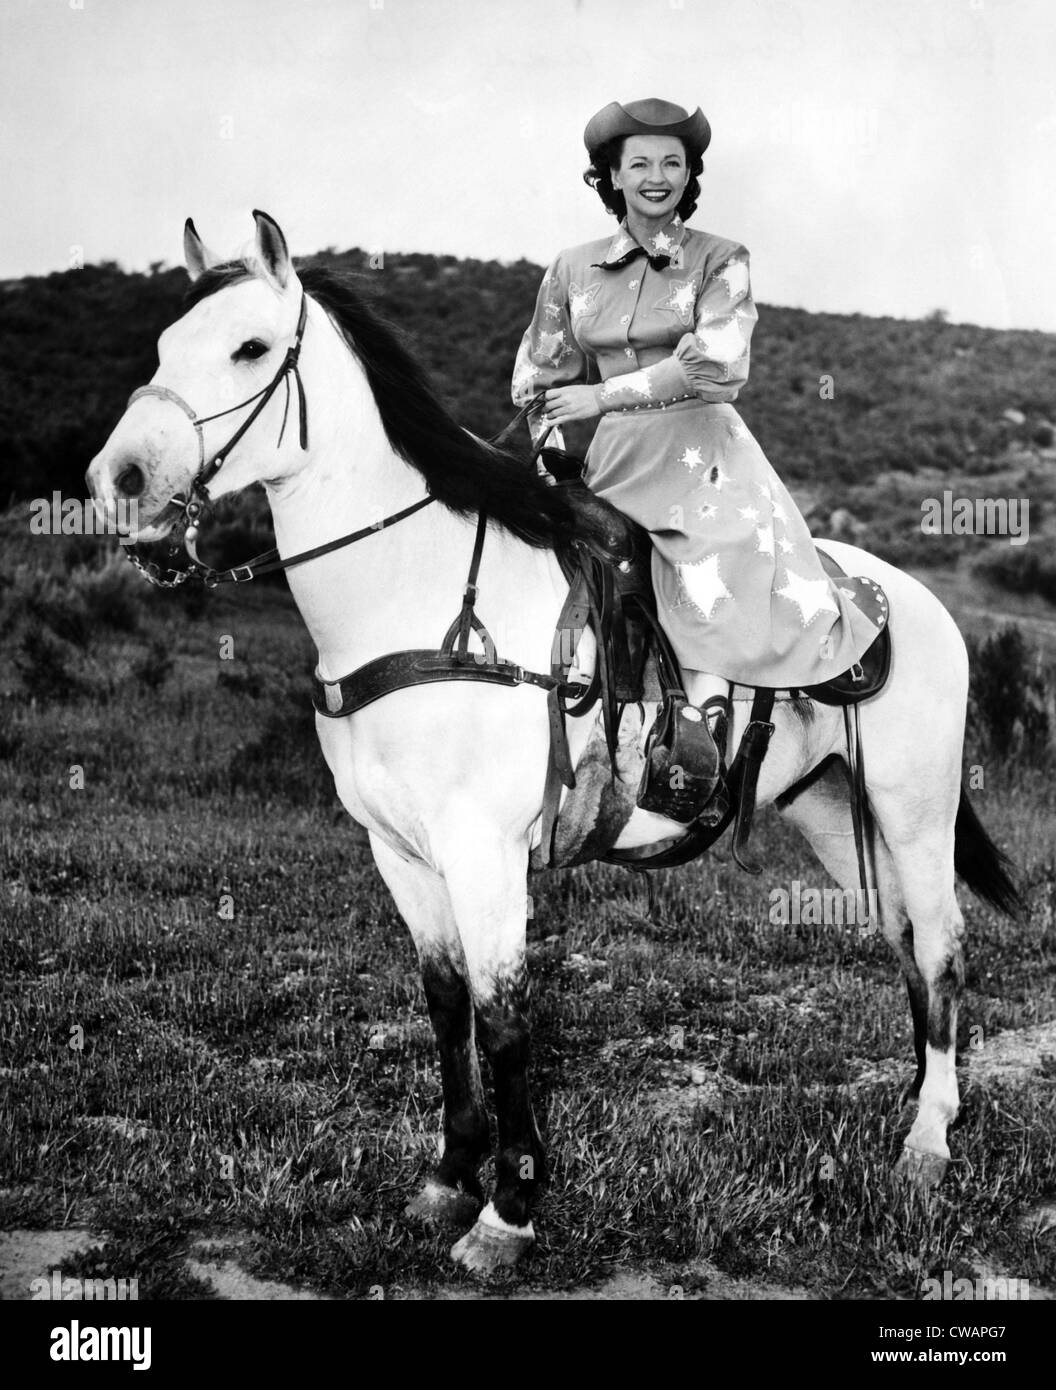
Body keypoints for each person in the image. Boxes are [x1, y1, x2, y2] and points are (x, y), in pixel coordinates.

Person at [511, 97, 880, 810]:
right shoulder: (570, 269)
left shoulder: (722, 260)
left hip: (706, 457)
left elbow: (717, 364)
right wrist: (550, 453)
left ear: (690, 175)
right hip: (612, 463)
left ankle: (703, 741)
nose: (657, 176)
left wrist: (602, 397)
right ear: (610, 176)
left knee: (712, 568)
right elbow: (538, 375)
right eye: (639, 163)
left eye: (672, 163)